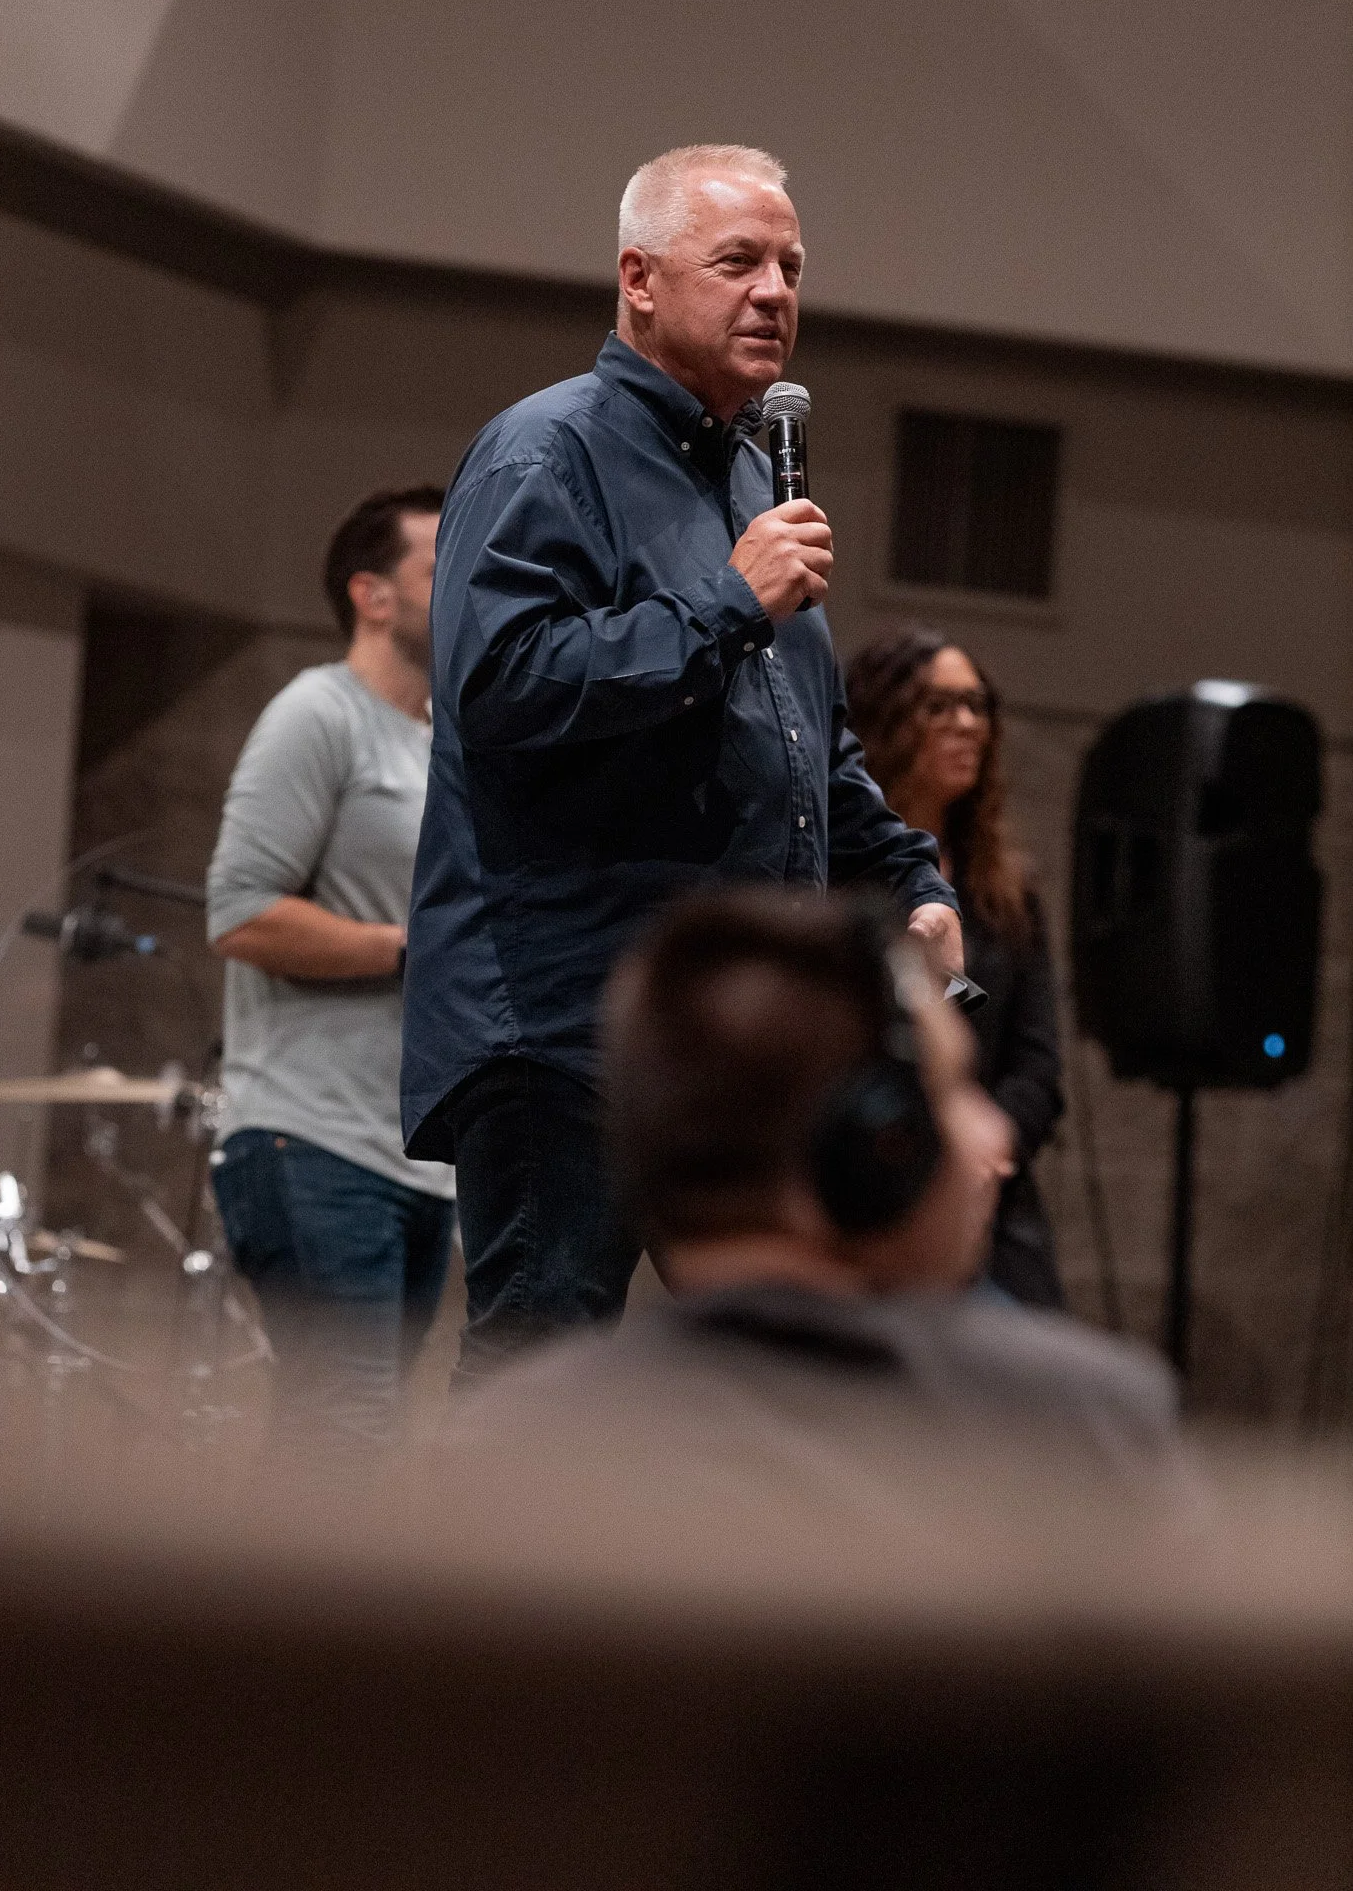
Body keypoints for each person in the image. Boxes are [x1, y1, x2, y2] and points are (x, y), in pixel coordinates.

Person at [402, 144, 962, 1380]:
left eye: (792, 266)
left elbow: (806, 742)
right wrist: (725, 604)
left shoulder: (756, 485)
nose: (776, 290)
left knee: (776, 1385)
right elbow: (498, 688)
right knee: (538, 1383)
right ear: (639, 279)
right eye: (739, 261)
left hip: (729, 1047)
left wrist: (914, 880)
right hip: (566, 1027)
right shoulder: (545, 454)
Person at [447, 887, 1178, 1475]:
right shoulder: (1082, 1424)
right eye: (953, 1089)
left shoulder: (513, 1440)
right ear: (876, 1145)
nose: (989, 1131)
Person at [207, 486, 456, 1449]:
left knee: (370, 1444)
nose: (473, 581)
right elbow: (239, 915)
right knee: (340, 1438)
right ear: (372, 594)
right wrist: (415, 948)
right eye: (442, 567)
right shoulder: (318, 714)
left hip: (419, 1160)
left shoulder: (449, 745)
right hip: (308, 1142)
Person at [845, 627, 1066, 1307]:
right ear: (885, 719)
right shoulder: (839, 876)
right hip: (865, 1184)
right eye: (939, 705)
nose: (967, 724)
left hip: (988, 1200)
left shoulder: (1006, 889)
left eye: (977, 704)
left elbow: (1036, 1067)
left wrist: (979, 1153)